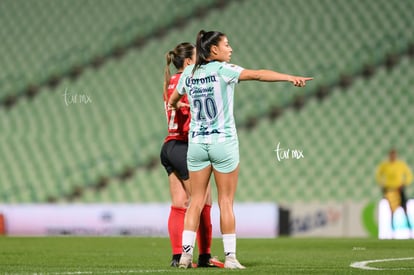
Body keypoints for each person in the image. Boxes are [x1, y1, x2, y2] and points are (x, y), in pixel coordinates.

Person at [168, 30, 313, 269]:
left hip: (196, 145)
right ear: (213, 50)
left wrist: (182, 103)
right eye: (227, 44)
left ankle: (185, 256)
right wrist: (289, 77)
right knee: (226, 202)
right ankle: (231, 258)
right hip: (223, 144)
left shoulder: (188, 74)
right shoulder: (224, 70)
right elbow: (257, 74)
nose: (230, 48)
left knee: (194, 202)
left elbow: (173, 100)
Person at [160, 42, 221, 268]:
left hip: (168, 146)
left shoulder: (169, 83)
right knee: (203, 200)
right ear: (188, 62)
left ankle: (177, 257)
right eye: (198, 57)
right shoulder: (188, 81)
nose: (202, 60)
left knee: (179, 203)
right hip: (184, 147)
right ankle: (205, 256)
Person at [376, 149, 412, 213]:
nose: (393, 156)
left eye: (394, 155)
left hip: (398, 189)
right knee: (387, 207)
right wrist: (382, 184)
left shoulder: (401, 165)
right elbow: (378, 175)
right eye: (391, 155)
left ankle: (406, 220)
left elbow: (409, 175)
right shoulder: (385, 165)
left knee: (403, 206)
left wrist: (404, 184)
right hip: (388, 189)